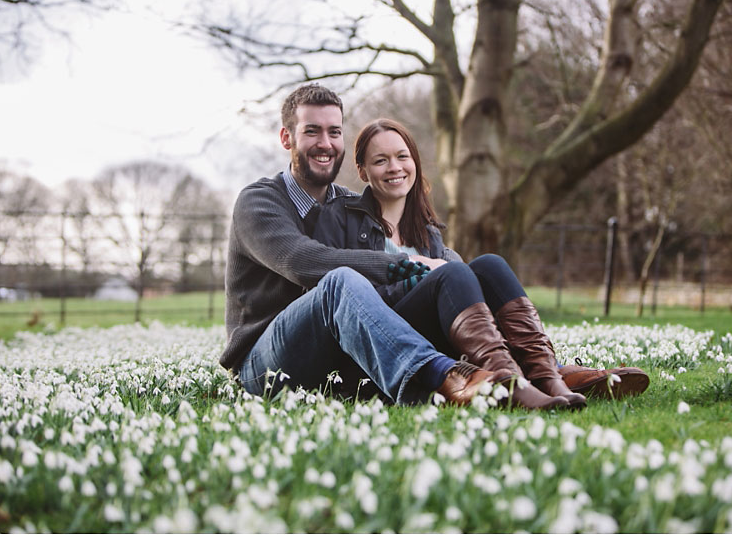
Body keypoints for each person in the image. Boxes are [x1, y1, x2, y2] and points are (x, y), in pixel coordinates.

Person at [218, 84, 568, 410]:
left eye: (334, 132)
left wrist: (453, 270)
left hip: (334, 354)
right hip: (264, 362)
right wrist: (402, 264)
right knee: (340, 281)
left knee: (485, 266)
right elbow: (301, 260)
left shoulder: (348, 204)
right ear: (286, 137)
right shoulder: (259, 201)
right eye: (312, 131)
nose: (325, 143)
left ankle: (545, 372)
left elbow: (435, 263)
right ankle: (446, 377)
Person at [312, 118, 649, 404]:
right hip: (385, 345)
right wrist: (418, 280)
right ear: (363, 170)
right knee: (454, 273)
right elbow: (343, 303)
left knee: (489, 265)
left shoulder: (427, 233)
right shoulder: (340, 218)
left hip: (437, 340)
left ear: (415, 161)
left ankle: (547, 376)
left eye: (402, 156)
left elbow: (463, 291)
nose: (395, 167)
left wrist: (445, 280)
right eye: (381, 160)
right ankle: (517, 384)